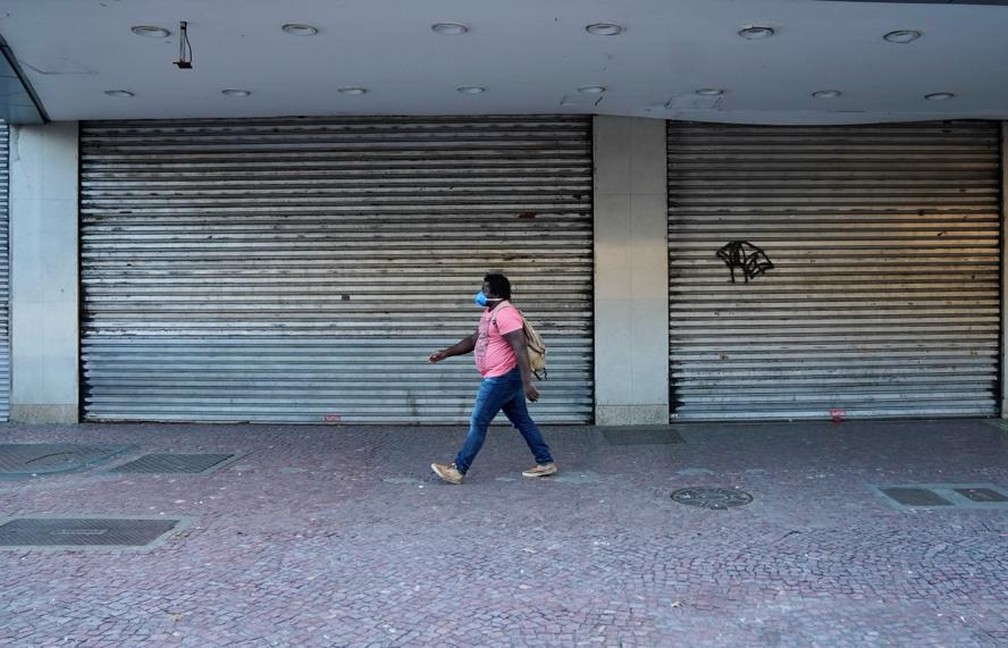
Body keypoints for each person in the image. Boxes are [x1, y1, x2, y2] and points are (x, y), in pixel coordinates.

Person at [428, 273, 558, 485]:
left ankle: (458, 469)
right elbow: (472, 340)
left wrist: (527, 384)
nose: (481, 293)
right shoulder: (491, 313)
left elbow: (520, 348)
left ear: (495, 292)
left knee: (478, 422)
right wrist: (445, 353)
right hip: (503, 376)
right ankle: (545, 462)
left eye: (484, 289)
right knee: (522, 420)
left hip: (501, 377)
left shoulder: (506, 314)